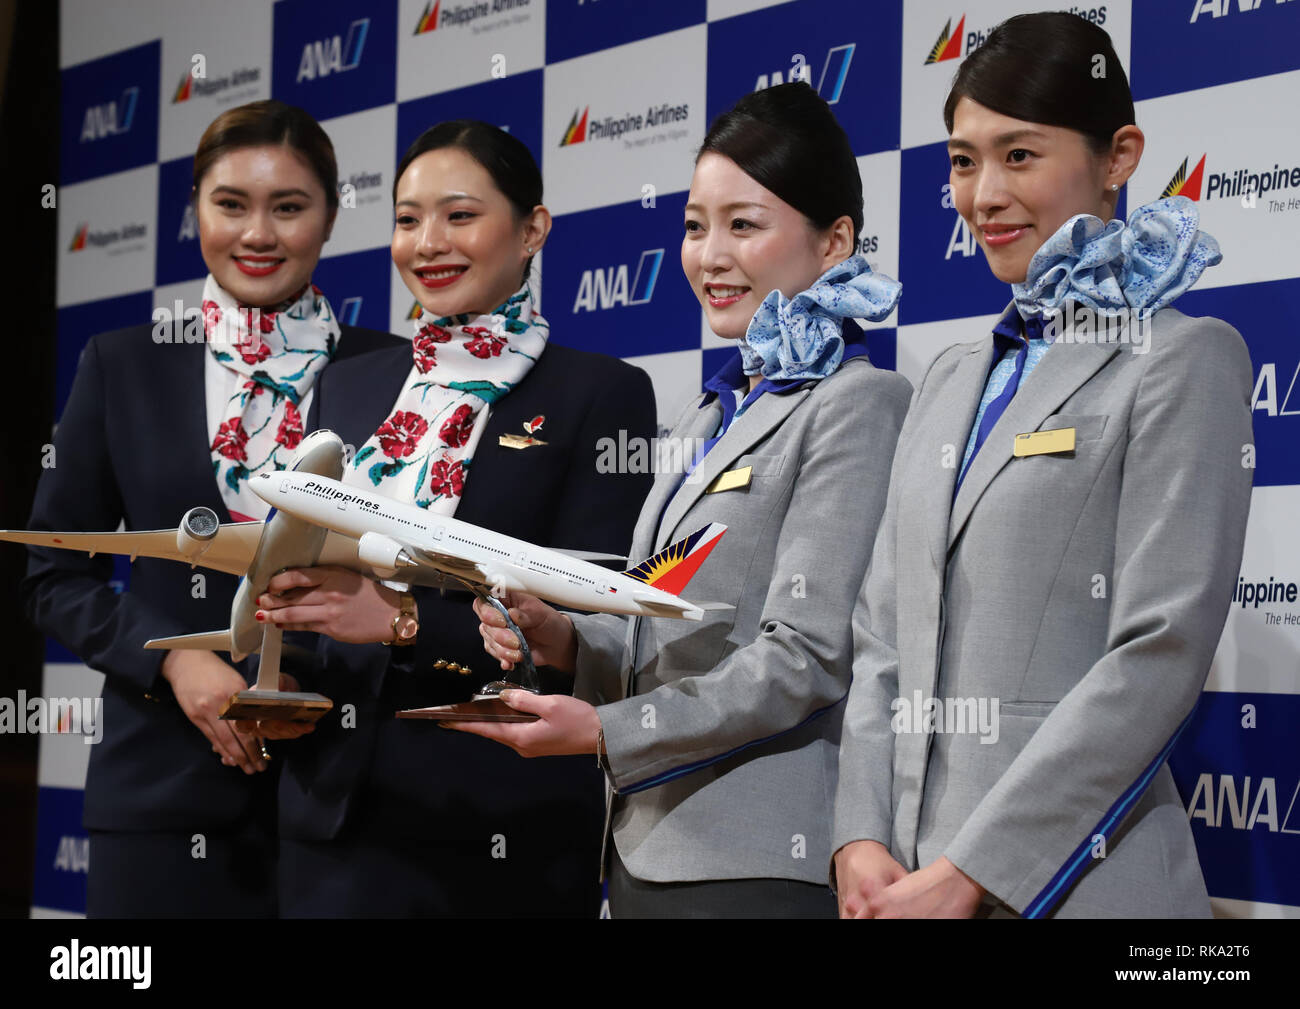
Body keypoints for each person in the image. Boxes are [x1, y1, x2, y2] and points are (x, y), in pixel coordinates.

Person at [832, 12, 1254, 919]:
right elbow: (881, 638)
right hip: (901, 886)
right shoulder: (946, 378)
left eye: (1018, 156)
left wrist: (972, 871)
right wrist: (858, 834)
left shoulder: (1186, 358)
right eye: (960, 160)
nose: (982, 194)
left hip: (1082, 891)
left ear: (1120, 156)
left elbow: (1159, 652)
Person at [462, 82, 913, 918]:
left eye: (744, 224)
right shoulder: (712, 409)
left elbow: (807, 657)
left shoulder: (859, 402)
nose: (709, 255)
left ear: (835, 241)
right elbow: (658, 621)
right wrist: (563, 636)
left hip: (759, 862)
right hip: (643, 846)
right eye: (695, 225)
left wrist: (605, 730)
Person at [252, 120, 657, 917]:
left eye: (460, 215)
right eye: (407, 219)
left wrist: (403, 621)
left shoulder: (603, 394)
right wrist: (280, 665)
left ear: (533, 229)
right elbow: (316, 581)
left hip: (497, 822)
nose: (427, 242)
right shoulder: (350, 387)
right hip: (330, 816)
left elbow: (591, 629)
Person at [21, 99, 400, 917]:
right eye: (231, 204)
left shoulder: (395, 373)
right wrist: (172, 660)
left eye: (289, 207)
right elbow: (50, 571)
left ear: (331, 217)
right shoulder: (123, 366)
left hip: (350, 798)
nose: (257, 233)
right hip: (159, 791)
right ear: (195, 207)